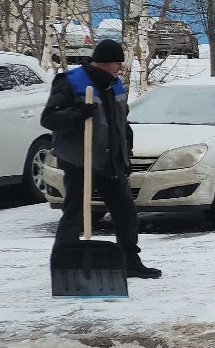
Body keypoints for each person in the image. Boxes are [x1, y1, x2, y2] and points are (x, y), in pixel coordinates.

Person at [42, 39, 161, 280]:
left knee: (125, 212)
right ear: (105, 62)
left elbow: (122, 124)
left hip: (111, 161)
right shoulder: (70, 82)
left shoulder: (115, 85)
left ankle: (130, 261)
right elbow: (49, 119)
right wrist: (78, 114)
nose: (120, 68)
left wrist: (126, 154)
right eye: (117, 63)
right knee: (75, 213)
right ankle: (63, 264)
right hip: (79, 161)